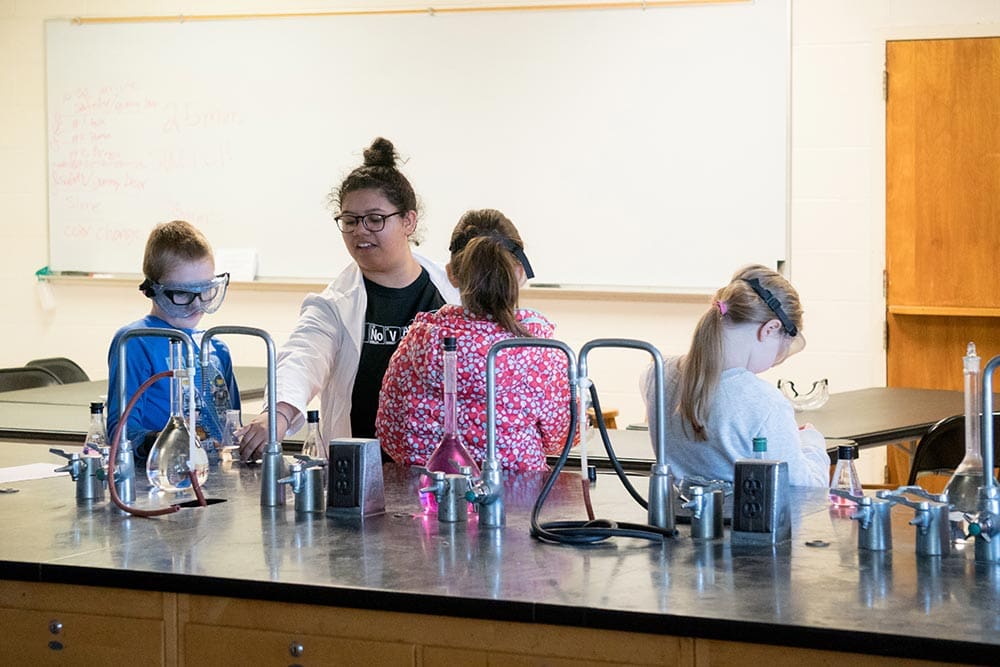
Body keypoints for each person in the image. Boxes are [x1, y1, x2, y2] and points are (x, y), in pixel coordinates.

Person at [237, 137, 460, 460]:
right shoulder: (333, 304)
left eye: (374, 219)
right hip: (361, 478)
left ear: (408, 221)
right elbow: (303, 356)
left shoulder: (453, 293)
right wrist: (278, 416)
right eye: (350, 221)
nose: (360, 231)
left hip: (441, 471)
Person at [376, 209, 572, 472]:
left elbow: (390, 433)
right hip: (518, 503)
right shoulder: (541, 349)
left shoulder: (418, 341)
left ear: (451, 273)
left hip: (430, 501)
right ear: (520, 273)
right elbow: (561, 437)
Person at [641, 264, 828, 487]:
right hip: (740, 522)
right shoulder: (765, 403)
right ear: (769, 329)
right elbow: (806, 490)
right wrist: (812, 444)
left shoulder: (656, 375)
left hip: (671, 518)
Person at [107, 220, 239, 461]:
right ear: (152, 289)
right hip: (160, 481)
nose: (197, 304)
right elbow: (122, 434)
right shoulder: (136, 342)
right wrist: (168, 442)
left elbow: (231, 427)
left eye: (207, 290)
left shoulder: (216, 348)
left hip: (217, 481)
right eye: (182, 294)